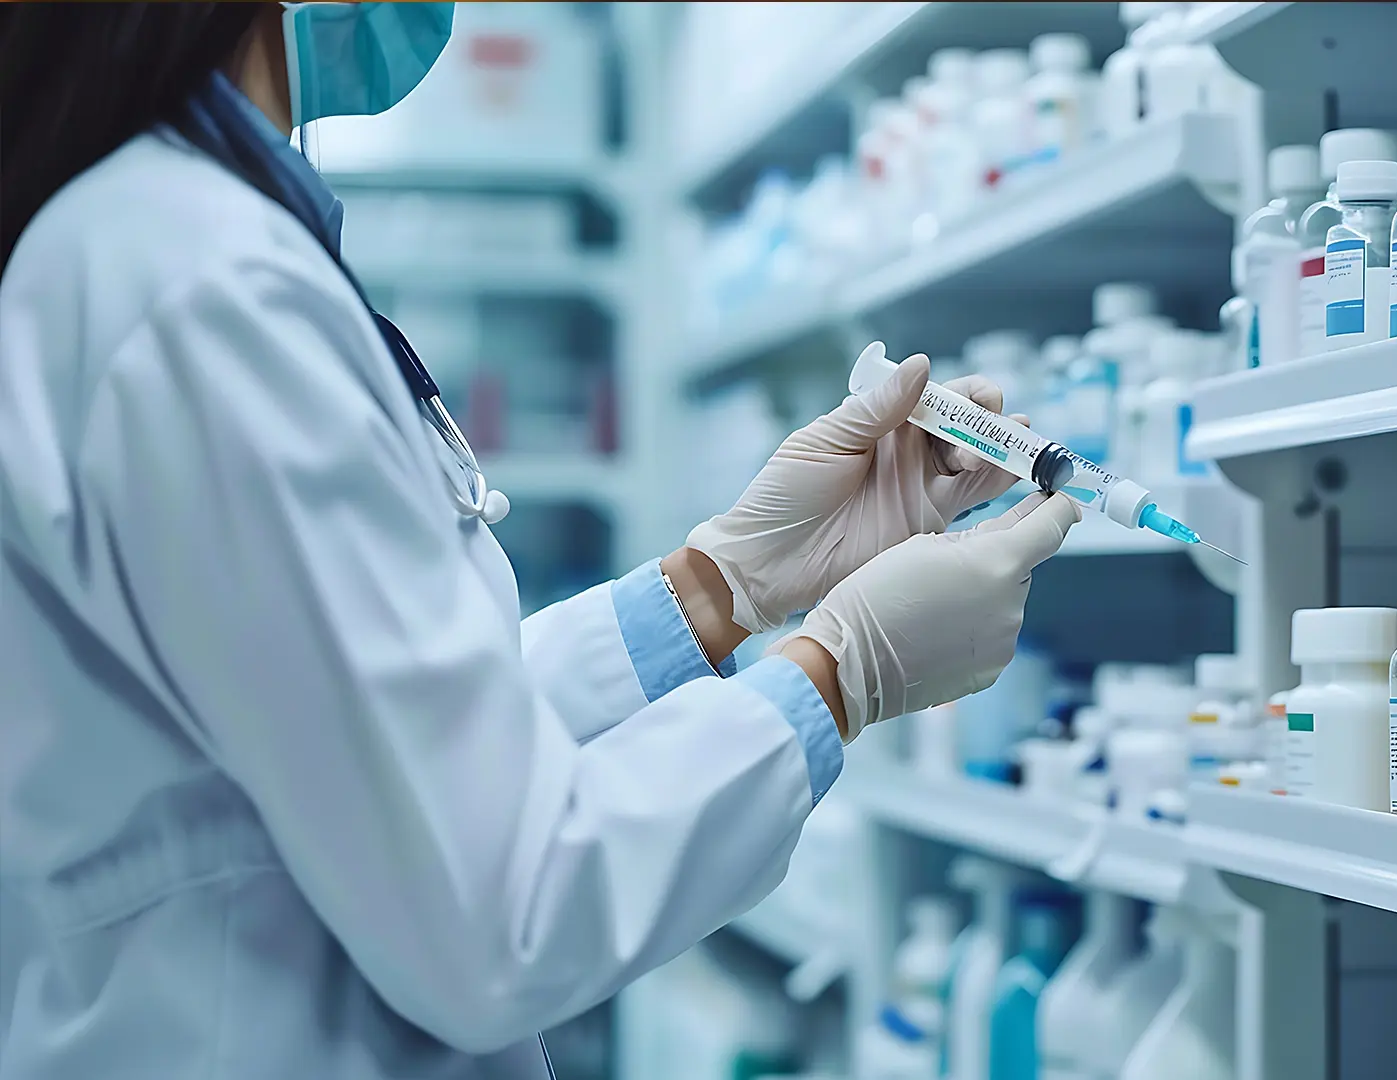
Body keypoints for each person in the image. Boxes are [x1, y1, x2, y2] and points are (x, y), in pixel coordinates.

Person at [0, 4, 1080, 1077]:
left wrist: (725, 586)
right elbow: (497, 910)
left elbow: (379, 741)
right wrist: (836, 675)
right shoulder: (202, 282)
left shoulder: (156, 245)